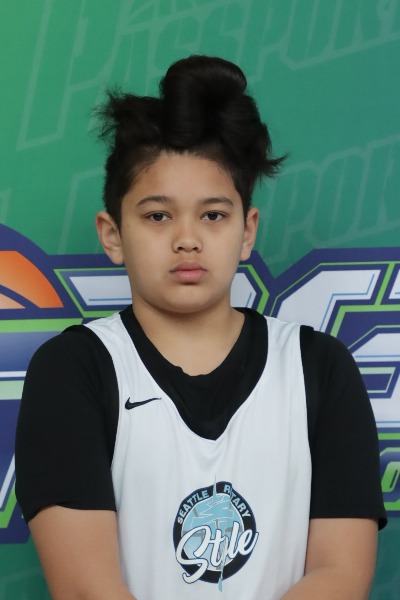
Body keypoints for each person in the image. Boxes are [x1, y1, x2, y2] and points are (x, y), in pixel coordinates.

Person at [15, 55, 386, 600]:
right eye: (158, 215)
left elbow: (341, 574)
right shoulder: (74, 370)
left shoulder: (319, 368)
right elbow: (85, 589)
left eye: (213, 215)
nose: (187, 239)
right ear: (113, 234)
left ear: (247, 230)